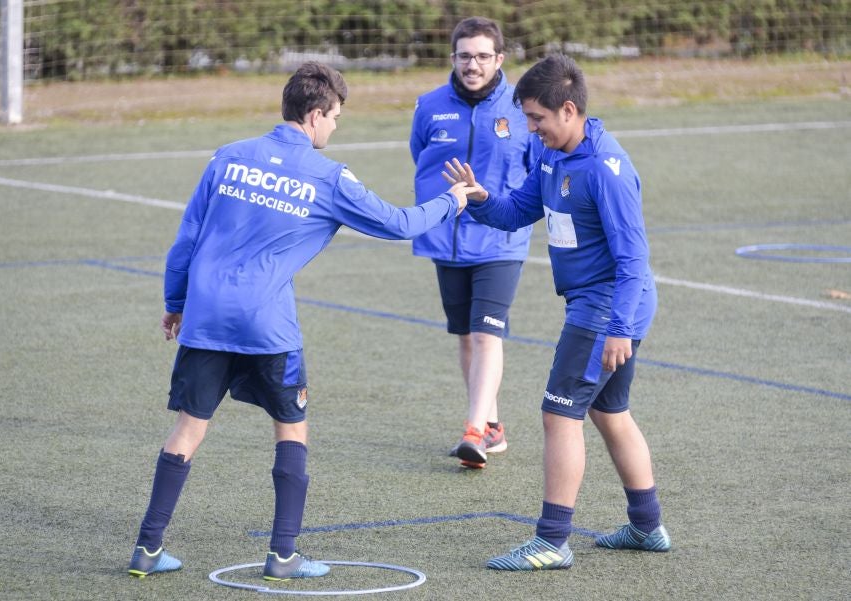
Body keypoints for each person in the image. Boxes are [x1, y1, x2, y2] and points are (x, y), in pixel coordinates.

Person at [127, 62, 474, 580]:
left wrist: (176, 303)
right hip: (267, 326)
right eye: (335, 117)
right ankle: (283, 555)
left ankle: (147, 550)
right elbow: (399, 223)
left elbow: (186, 240)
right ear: (315, 115)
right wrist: (454, 200)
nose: (335, 127)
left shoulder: (228, 156)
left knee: (187, 430)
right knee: (291, 427)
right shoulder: (328, 176)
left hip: (206, 317)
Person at [442, 53, 670, 571]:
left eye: (537, 118)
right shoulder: (550, 156)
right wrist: (479, 198)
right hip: (600, 306)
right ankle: (647, 525)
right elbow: (517, 211)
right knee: (609, 412)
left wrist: (619, 330)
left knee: (558, 413)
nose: (531, 128)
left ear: (569, 110)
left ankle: (551, 540)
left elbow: (634, 260)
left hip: (606, 306)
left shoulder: (607, 170)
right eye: (526, 118)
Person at [409, 16, 541, 469]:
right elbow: (419, 158)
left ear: (499, 59)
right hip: (446, 240)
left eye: (483, 56)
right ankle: (493, 425)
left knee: (487, 333)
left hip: (502, 239)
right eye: (465, 56)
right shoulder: (428, 106)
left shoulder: (522, 108)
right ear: (453, 58)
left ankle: (473, 433)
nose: (473, 64)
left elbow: (535, 167)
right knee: (466, 336)